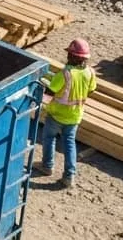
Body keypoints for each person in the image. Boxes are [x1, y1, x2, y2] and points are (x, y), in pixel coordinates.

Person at [38, 38, 97, 188]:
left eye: (69, 54)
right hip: (75, 116)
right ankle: (69, 176)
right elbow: (91, 90)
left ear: (72, 56)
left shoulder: (65, 74)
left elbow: (50, 92)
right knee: (70, 144)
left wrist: (42, 85)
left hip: (57, 115)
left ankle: (47, 166)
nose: (67, 56)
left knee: (49, 138)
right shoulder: (90, 72)